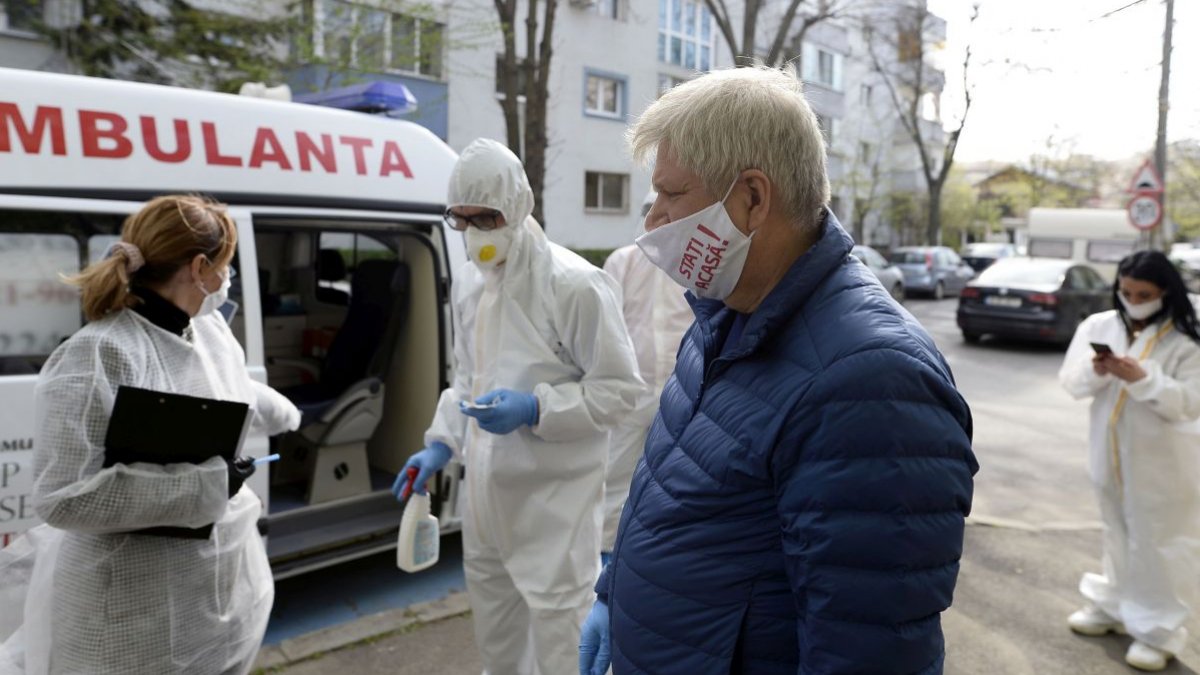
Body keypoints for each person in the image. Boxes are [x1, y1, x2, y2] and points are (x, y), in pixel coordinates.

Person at [578, 65, 978, 675]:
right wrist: (618, 592)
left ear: (753, 197)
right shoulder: (725, 314)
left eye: (671, 194)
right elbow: (675, 481)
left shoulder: (873, 381)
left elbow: (869, 649)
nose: (652, 220)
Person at [14, 195, 300, 674]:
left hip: (207, 606)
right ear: (200, 267)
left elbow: (228, 385)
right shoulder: (99, 353)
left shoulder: (206, 330)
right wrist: (208, 483)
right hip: (125, 624)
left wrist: (284, 414)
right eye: (224, 266)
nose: (226, 279)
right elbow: (61, 498)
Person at [393, 138, 643, 674]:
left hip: (554, 511)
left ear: (518, 206)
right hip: (485, 507)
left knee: (563, 651)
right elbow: (466, 379)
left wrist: (537, 408)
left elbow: (621, 391)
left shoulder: (575, 285)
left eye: (487, 217)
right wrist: (439, 445)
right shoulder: (470, 283)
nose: (475, 232)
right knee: (499, 649)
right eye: (462, 219)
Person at [1059, 251, 1200, 672]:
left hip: (1164, 464)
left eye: (1144, 295)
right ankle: (1113, 605)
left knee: (1160, 543)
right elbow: (1071, 382)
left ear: (1165, 292)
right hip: (1109, 455)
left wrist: (1143, 379)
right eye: (1126, 292)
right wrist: (1099, 370)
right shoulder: (1100, 326)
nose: (1134, 301)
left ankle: (1158, 631)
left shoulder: (1187, 338)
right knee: (1116, 531)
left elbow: (1190, 403)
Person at [599, 193, 693, 558]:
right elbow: (607, 331)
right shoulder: (623, 262)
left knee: (677, 484)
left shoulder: (693, 265)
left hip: (681, 395)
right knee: (614, 481)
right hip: (629, 396)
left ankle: (663, 559)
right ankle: (607, 559)